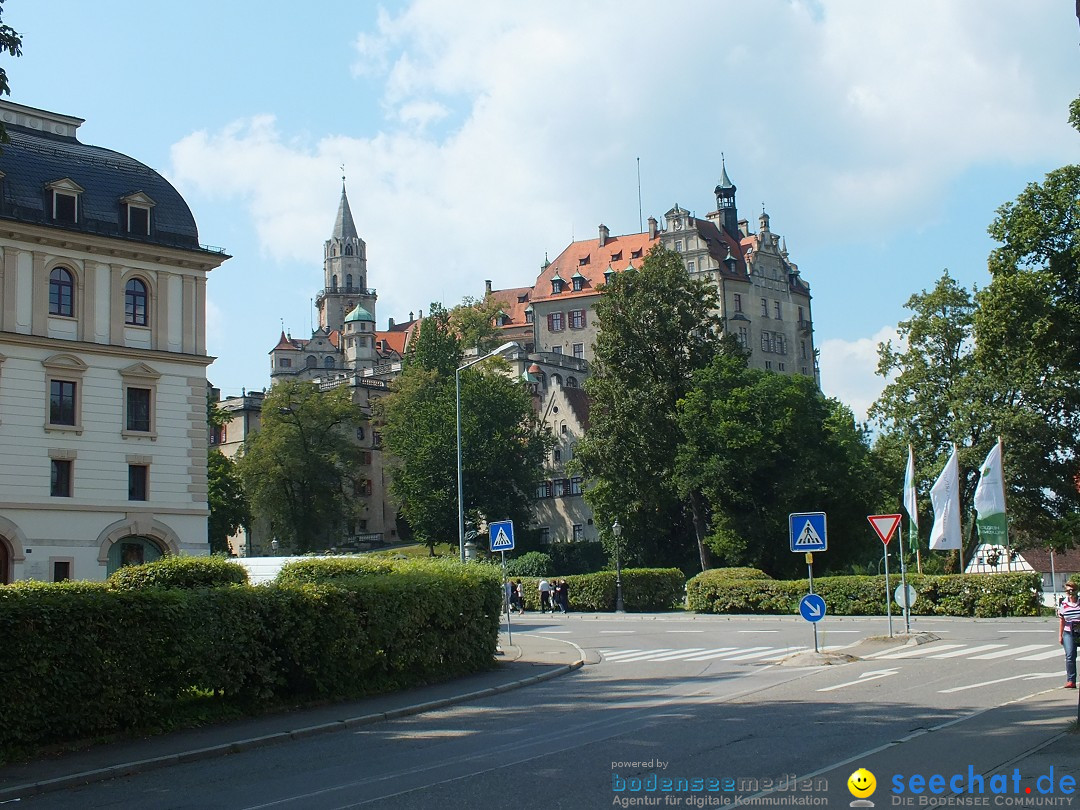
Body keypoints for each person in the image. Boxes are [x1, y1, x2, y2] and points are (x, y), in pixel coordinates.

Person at [1058, 581, 1080, 689]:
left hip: (1079, 630)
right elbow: (1062, 620)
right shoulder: (1063, 604)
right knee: (1070, 655)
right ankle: (1071, 680)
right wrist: (1060, 635)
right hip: (1069, 631)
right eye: (1068, 591)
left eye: (1072, 590)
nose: (1070, 593)